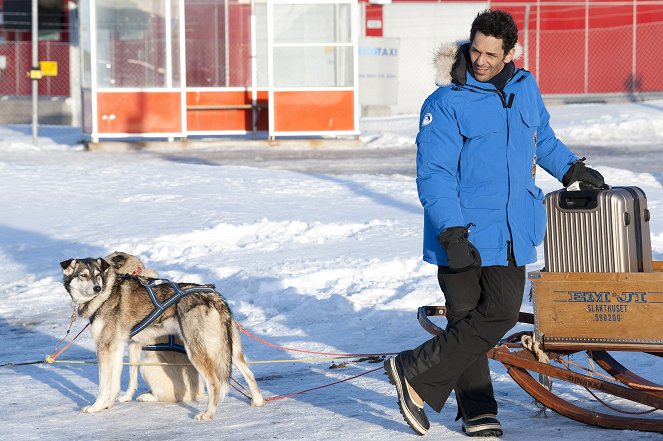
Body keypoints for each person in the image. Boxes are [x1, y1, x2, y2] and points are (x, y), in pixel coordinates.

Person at [384, 9, 604, 438]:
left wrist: (571, 169)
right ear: (469, 44)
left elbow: (542, 137)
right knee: (465, 317)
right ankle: (479, 412)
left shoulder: (525, 89)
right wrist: (450, 229)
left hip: (512, 229)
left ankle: (411, 368)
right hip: (461, 232)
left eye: (491, 53)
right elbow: (434, 173)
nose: (481, 60)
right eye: (476, 50)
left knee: (499, 313)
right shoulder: (446, 100)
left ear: (509, 53)